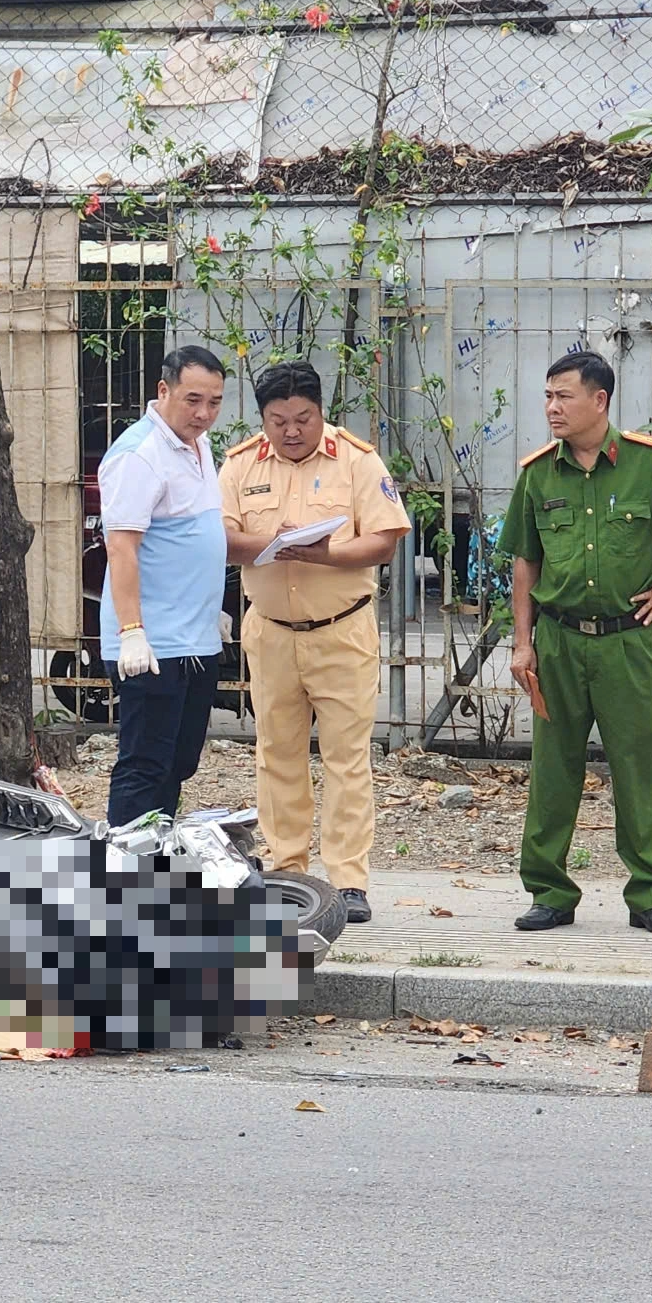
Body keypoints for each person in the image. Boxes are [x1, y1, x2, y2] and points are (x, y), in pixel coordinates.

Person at [502, 350, 652, 936]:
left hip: (628, 642)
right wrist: (522, 643)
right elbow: (525, 562)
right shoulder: (537, 474)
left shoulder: (648, 465)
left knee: (638, 767)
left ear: (598, 401)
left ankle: (650, 893)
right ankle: (550, 891)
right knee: (553, 769)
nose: (552, 407)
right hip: (557, 640)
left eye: (564, 396)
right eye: (548, 396)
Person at [218, 360, 411, 925]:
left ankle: (349, 880)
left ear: (321, 412)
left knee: (347, 758)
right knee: (276, 754)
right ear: (263, 419)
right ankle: (287, 872)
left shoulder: (356, 459)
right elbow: (221, 537)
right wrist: (264, 542)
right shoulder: (239, 465)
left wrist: (324, 554)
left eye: (303, 418)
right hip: (272, 632)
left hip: (341, 630)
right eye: (278, 421)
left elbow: (384, 541)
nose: (291, 431)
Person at [100, 345, 229, 826]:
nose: (203, 413)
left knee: (179, 763)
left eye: (214, 402)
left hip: (194, 638)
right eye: (193, 399)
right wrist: (132, 630)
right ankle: (121, 881)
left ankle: (155, 863)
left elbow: (190, 534)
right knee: (144, 764)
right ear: (163, 390)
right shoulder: (140, 454)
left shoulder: (197, 444)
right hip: (153, 644)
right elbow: (122, 548)